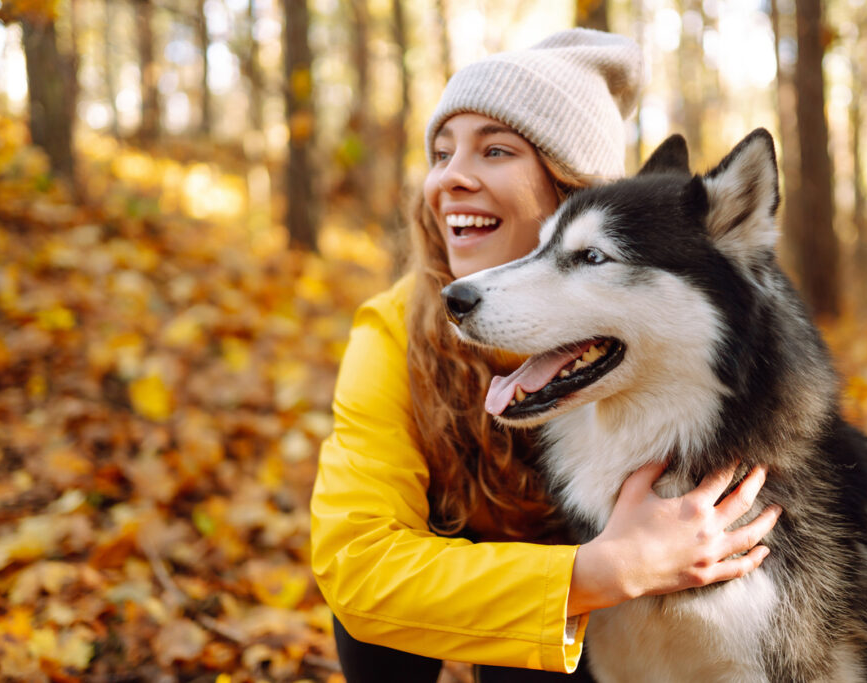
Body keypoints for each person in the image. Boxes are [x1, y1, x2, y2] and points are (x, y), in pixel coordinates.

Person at [310, 28, 782, 682]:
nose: (452, 177)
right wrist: (601, 569)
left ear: (573, 190)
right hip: (544, 586)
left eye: (495, 149)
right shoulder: (394, 330)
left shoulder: (653, 329)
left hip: (614, 632)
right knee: (398, 605)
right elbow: (357, 565)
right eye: (441, 153)